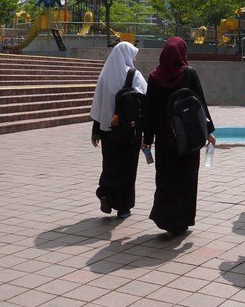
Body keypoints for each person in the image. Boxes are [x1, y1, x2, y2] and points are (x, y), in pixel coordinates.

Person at [144, 37, 215, 235]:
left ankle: (166, 218)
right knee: (187, 178)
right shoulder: (189, 74)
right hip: (187, 139)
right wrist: (209, 132)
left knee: (166, 178)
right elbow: (200, 103)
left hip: (165, 140)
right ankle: (182, 220)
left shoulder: (154, 77)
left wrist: (147, 139)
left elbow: (149, 110)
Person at [90, 41, 147, 219]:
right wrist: (146, 131)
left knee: (110, 164)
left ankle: (106, 193)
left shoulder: (105, 76)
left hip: (108, 130)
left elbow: (99, 105)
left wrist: (96, 131)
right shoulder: (134, 75)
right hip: (130, 131)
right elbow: (146, 102)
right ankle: (124, 207)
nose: (135, 58)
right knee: (128, 167)